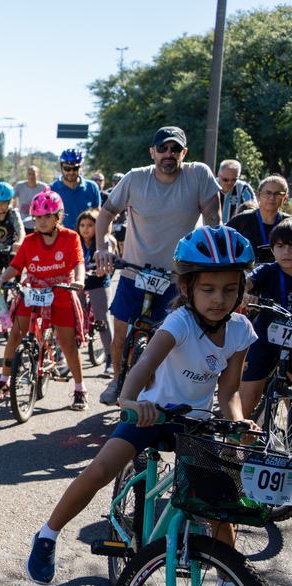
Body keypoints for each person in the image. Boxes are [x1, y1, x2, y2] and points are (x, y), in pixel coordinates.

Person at [26, 225, 260, 586]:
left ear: (241, 289)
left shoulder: (240, 330)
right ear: (187, 289)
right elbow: (142, 368)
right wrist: (130, 401)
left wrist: (239, 422)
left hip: (197, 423)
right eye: (208, 289)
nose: (219, 299)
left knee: (219, 506)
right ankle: (48, 534)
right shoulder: (179, 322)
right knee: (101, 469)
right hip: (152, 413)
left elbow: (228, 393)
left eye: (229, 289)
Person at [94, 126, 223, 405]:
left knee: (170, 343)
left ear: (184, 153)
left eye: (175, 149)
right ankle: (116, 380)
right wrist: (102, 248)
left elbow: (214, 225)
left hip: (176, 278)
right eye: (163, 148)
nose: (169, 154)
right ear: (152, 152)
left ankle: (163, 392)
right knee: (120, 337)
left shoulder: (198, 174)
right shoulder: (135, 178)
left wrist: (210, 265)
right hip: (134, 272)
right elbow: (106, 214)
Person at [0, 189, 88, 410]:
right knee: (15, 336)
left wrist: (80, 280)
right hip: (33, 291)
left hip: (61, 291)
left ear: (58, 216)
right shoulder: (29, 240)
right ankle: (4, 381)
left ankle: (80, 389)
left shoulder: (70, 237)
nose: (42, 221)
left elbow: (78, 262)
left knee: (68, 344)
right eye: (38, 217)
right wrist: (2, 278)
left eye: (47, 216)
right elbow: (16, 265)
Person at [239, 217, 292, 417]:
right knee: (248, 396)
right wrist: (244, 293)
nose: (286, 252)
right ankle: (235, 436)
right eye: (280, 246)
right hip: (265, 338)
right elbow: (247, 281)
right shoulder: (269, 270)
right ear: (272, 250)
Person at [77, 208, 116, 367]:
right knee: (72, 317)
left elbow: (109, 252)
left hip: (98, 283)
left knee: (102, 320)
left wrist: (104, 266)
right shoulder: (76, 242)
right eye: (82, 225)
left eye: (90, 225)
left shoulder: (103, 242)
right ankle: (62, 353)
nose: (85, 229)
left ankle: (111, 358)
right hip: (80, 283)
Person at [226, 175, 290, 265]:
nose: (272, 197)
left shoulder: (289, 224)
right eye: (267, 193)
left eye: (278, 194)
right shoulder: (242, 220)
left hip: (281, 272)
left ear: (285, 198)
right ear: (258, 196)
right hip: (247, 272)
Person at [49, 148, 101, 230]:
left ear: (81, 166)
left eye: (75, 168)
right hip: (61, 235)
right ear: (61, 167)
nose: (71, 172)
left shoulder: (92, 187)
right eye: (67, 168)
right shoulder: (51, 189)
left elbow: (97, 214)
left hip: (85, 236)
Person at [218, 159, 257, 224]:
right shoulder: (210, 187)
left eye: (234, 179)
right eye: (226, 179)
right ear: (219, 175)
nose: (229, 183)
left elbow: (252, 211)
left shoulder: (244, 188)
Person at [13, 165, 48, 233]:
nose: (31, 176)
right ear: (27, 175)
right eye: (29, 174)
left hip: (37, 225)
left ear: (38, 175)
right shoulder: (19, 186)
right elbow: (11, 198)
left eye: (33, 174)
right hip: (21, 224)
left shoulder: (43, 187)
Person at [107, 172, 128, 253]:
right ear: (112, 183)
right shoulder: (107, 194)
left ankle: (123, 254)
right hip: (111, 222)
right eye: (116, 183)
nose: (118, 185)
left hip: (122, 222)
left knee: (125, 236)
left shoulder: (128, 193)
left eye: (120, 183)